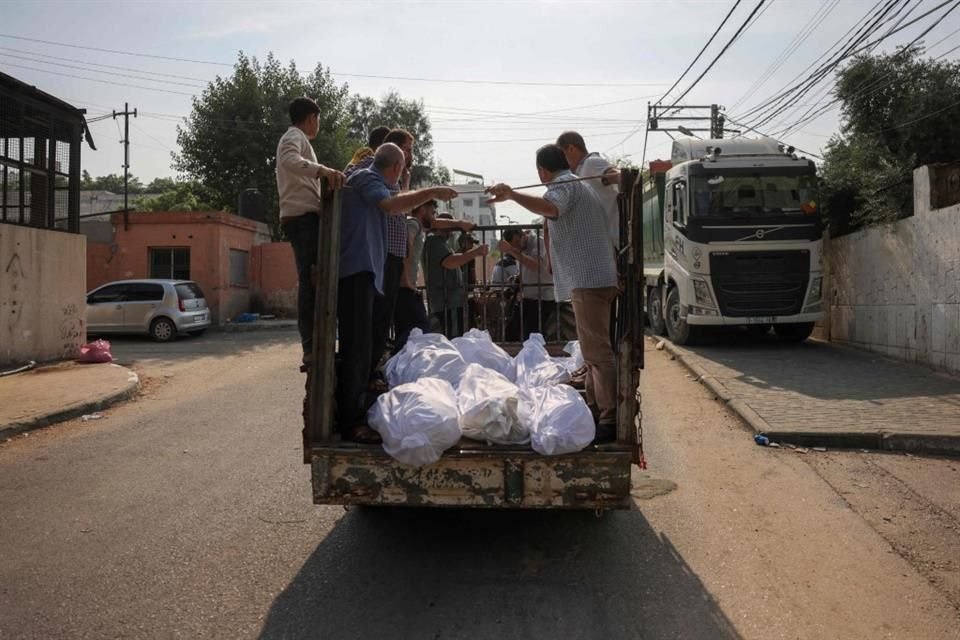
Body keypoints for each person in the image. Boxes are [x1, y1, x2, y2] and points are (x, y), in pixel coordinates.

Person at [485, 144, 619, 443]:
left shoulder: (562, 186)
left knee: (598, 354)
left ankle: (609, 419)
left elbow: (551, 208)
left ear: (542, 172)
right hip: (595, 277)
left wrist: (513, 195)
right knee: (594, 353)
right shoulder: (578, 186)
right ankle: (599, 412)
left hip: (589, 280)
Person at [337, 143, 458, 443]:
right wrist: (431, 192)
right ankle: (350, 422)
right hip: (355, 271)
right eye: (402, 171)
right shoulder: (365, 177)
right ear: (394, 168)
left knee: (366, 345)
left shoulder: (377, 182)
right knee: (356, 347)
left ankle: (357, 412)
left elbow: (396, 200)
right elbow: (391, 205)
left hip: (366, 273)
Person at [275, 96, 346, 371]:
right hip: (301, 219)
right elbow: (289, 160)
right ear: (311, 117)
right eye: (318, 118)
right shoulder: (293, 137)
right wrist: (323, 171)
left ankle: (317, 341)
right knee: (310, 279)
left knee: (317, 280)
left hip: (306, 218)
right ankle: (309, 346)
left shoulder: (299, 139)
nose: (318, 124)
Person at [368, 129, 417, 385]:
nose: (411, 155)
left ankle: (377, 367)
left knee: (385, 316)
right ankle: (370, 371)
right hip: (383, 255)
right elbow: (394, 206)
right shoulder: (372, 173)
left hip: (394, 256)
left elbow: (402, 209)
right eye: (408, 149)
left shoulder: (397, 178)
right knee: (377, 316)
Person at [394, 201, 475, 352]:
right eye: (432, 213)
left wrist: (459, 223)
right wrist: (405, 278)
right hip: (409, 289)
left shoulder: (421, 228)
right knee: (420, 333)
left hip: (409, 288)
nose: (434, 218)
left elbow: (436, 223)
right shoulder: (414, 225)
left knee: (414, 332)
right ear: (423, 210)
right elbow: (405, 243)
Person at [423, 213, 489, 338]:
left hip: (450, 300)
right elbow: (449, 262)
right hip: (446, 301)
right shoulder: (434, 242)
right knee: (452, 339)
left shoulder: (442, 244)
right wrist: (476, 251)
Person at [556, 131, 620, 251]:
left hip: (609, 243)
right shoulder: (580, 171)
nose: (563, 162)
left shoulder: (591, 162)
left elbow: (612, 175)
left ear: (571, 149)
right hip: (598, 243)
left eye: (562, 156)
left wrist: (621, 176)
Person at [498, 228, 556, 341]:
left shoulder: (538, 242)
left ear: (523, 235)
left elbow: (536, 265)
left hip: (542, 297)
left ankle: (536, 356)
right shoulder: (519, 249)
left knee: (532, 335)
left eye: (518, 244)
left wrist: (512, 250)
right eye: (514, 246)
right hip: (528, 296)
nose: (517, 248)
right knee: (511, 332)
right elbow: (526, 267)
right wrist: (518, 277)